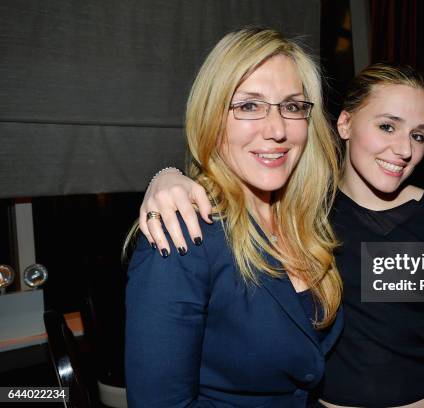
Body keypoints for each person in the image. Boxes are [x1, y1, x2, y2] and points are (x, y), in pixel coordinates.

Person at [139, 63, 424, 407]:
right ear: (345, 123)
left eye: (418, 135)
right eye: (386, 126)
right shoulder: (305, 211)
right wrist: (168, 176)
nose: (404, 150)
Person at [124, 27, 345, 407]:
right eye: (248, 106)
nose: (277, 130)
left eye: (292, 106)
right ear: (211, 116)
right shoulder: (182, 236)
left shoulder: (309, 221)